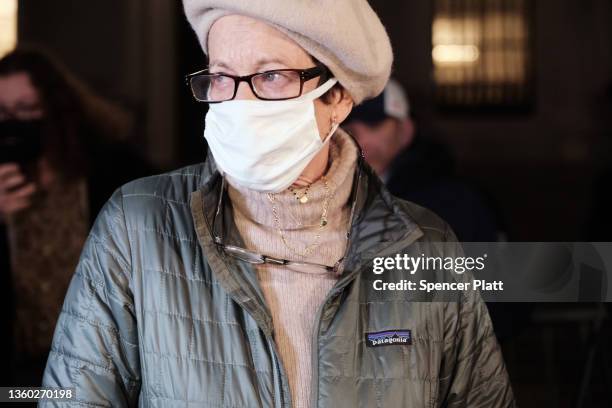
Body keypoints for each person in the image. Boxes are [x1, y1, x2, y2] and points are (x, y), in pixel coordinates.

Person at [41, 1, 515, 407]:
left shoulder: (425, 244)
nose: (240, 103)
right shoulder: (137, 226)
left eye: (271, 76)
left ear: (339, 97)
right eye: (222, 77)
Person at [0, 47, 153, 387]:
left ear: (56, 111)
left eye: (27, 109)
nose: (14, 122)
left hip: (94, 360)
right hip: (15, 371)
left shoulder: (108, 169)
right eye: (3, 112)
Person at [344, 79, 500, 242]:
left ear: (405, 131)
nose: (359, 138)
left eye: (373, 124)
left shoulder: (455, 202)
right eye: (347, 128)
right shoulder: (331, 197)